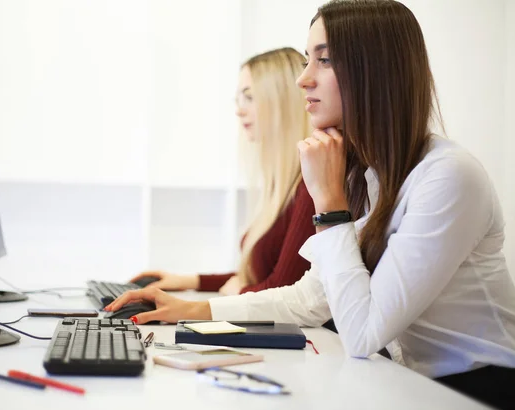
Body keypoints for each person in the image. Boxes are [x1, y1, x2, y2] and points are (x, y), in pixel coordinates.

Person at [107, 1, 515, 407]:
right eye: (308, 60)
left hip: (478, 389)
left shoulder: (447, 177)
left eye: (325, 60)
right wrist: (190, 310)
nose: (303, 79)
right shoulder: (365, 173)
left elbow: (363, 333)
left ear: (374, 73)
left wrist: (330, 202)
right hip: (405, 381)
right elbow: (307, 299)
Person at [130, 48, 316, 296]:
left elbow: (282, 291)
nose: (240, 110)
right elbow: (260, 279)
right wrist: (189, 280)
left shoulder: (309, 185)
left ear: (281, 101)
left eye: (250, 97)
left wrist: (238, 293)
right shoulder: (285, 185)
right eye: (239, 100)